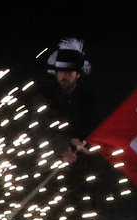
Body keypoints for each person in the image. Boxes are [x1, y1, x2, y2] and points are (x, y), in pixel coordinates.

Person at [38, 39, 102, 167]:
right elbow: (39, 131)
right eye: (61, 71)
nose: (65, 75)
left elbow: (96, 133)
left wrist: (82, 151)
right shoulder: (43, 97)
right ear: (56, 73)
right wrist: (68, 144)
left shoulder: (89, 100)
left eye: (70, 71)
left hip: (80, 168)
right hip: (47, 165)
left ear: (77, 74)